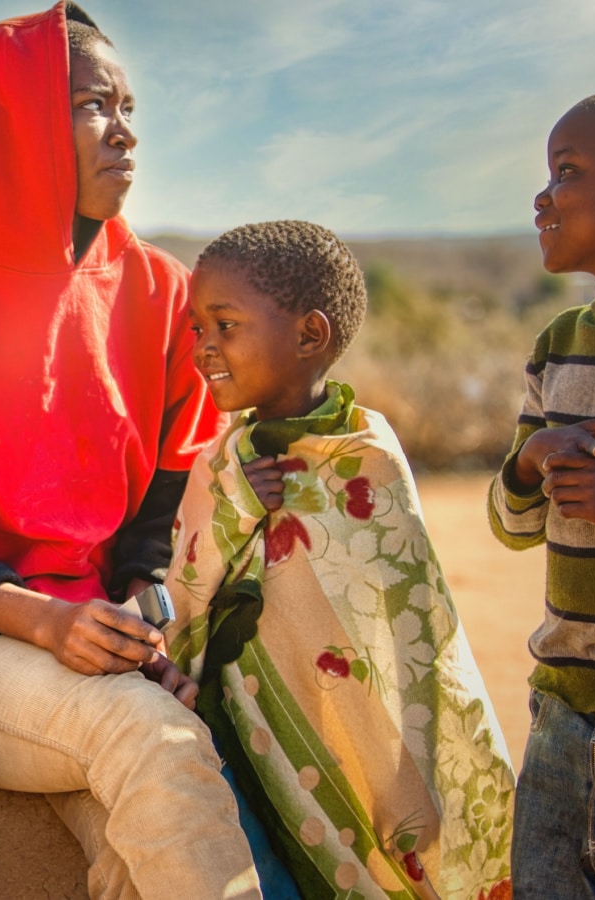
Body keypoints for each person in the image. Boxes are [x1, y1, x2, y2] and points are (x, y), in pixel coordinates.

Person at [0, 4, 262, 897]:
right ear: (12, 125)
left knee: (140, 841)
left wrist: (139, 620)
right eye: (91, 104)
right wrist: (53, 625)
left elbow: (152, 527)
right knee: (150, 739)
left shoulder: (163, 290)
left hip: (101, 642)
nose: (123, 132)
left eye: (129, 106)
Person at [164, 220, 516, 899]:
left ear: (310, 335)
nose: (203, 347)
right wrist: (237, 503)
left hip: (358, 734)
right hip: (250, 734)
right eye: (197, 329)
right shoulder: (221, 460)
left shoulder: (368, 457)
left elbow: (413, 627)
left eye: (225, 325)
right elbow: (186, 584)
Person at [489, 89, 595, 899]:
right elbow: (513, 524)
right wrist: (531, 466)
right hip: (561, 709)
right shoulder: (557, 344)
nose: (542, 196)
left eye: (567, 172)